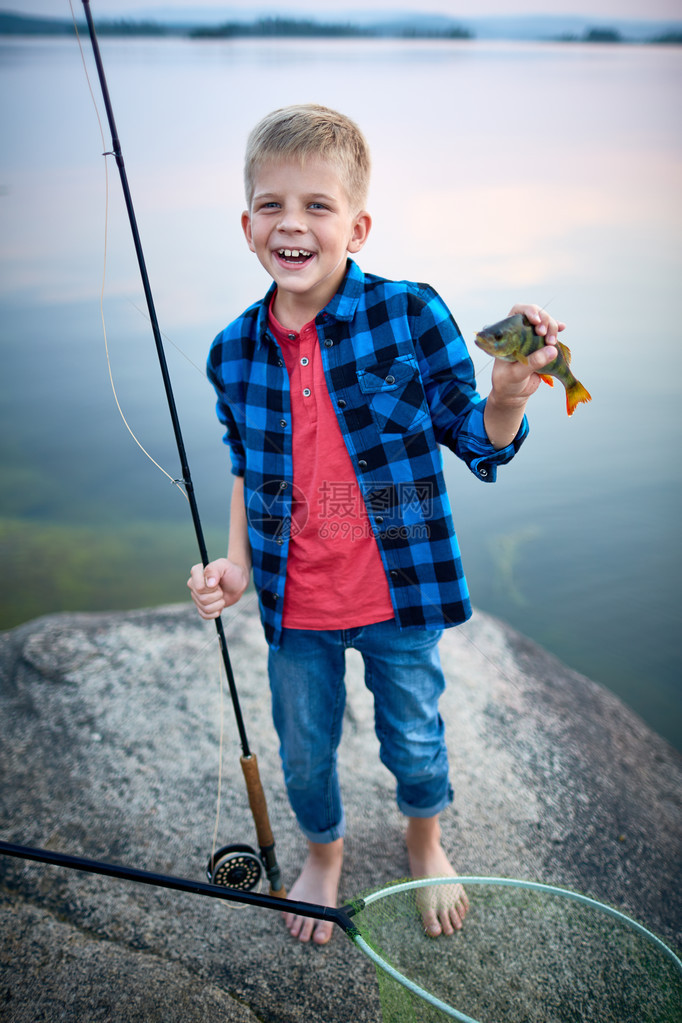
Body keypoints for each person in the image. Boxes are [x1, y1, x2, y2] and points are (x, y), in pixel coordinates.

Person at [188, 104, 564, 946]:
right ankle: (323, 851)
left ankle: (425, 840)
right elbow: (247, 468)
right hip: (295, 605)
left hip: (398, 594)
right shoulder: (231, 350)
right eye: (272, 204)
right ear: (246, 223)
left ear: (356, 225)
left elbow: (478, 441)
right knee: (303, 751)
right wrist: (237, 565)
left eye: (317, 206)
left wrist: (505, 396)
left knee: (416, 734)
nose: (293, 223)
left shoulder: (411, 315)